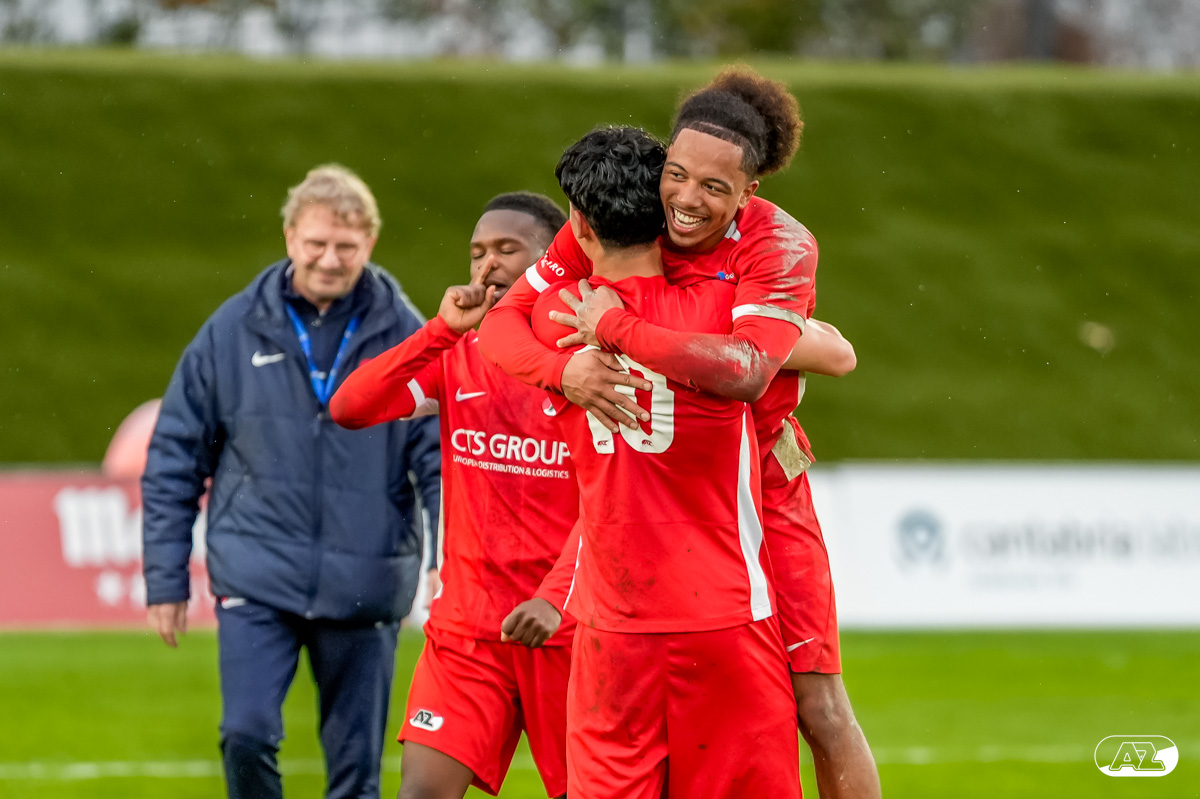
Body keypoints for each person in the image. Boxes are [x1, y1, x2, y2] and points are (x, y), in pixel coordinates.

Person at [478, 68, 881, 799]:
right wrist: (563, 372)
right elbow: (500, 322)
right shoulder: (628, 213)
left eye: (714, 187)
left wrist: (615, 327)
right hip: (676, 497)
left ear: (749, 193)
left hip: (763, 486)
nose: (687, 199)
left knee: (818, 704)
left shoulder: (779, 244)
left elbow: (761, 364)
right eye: (678, 173)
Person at [141, 164, 442, 799]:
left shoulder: (409, 335)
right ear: (289, 237)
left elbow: (442, 463)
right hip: (257, 578)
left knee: (355, 778)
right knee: (245, 736)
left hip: (365, 584)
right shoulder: (231, 330)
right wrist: (165, 578)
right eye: (317, 243)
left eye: (346, 246)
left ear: (370, 242)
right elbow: (175, 457)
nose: (330, 259)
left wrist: (450, 560)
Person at [525, 125, 803, 799]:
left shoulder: (555, 317)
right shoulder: (723, 312)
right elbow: (820, 353)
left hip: (613, 625)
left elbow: (498, 331)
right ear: (664, 211)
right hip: (724, 615)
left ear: (578, 223)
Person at [329, 192, 577, 799]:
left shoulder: (586, 364)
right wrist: (439, 332)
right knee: (421, 794)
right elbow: (350, 407)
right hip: (467, 631)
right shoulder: (459, 355)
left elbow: (613, 505)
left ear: (552, 258)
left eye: (506, 249)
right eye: (476, 252)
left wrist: (555, 599)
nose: (487, 264)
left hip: (567, 632)